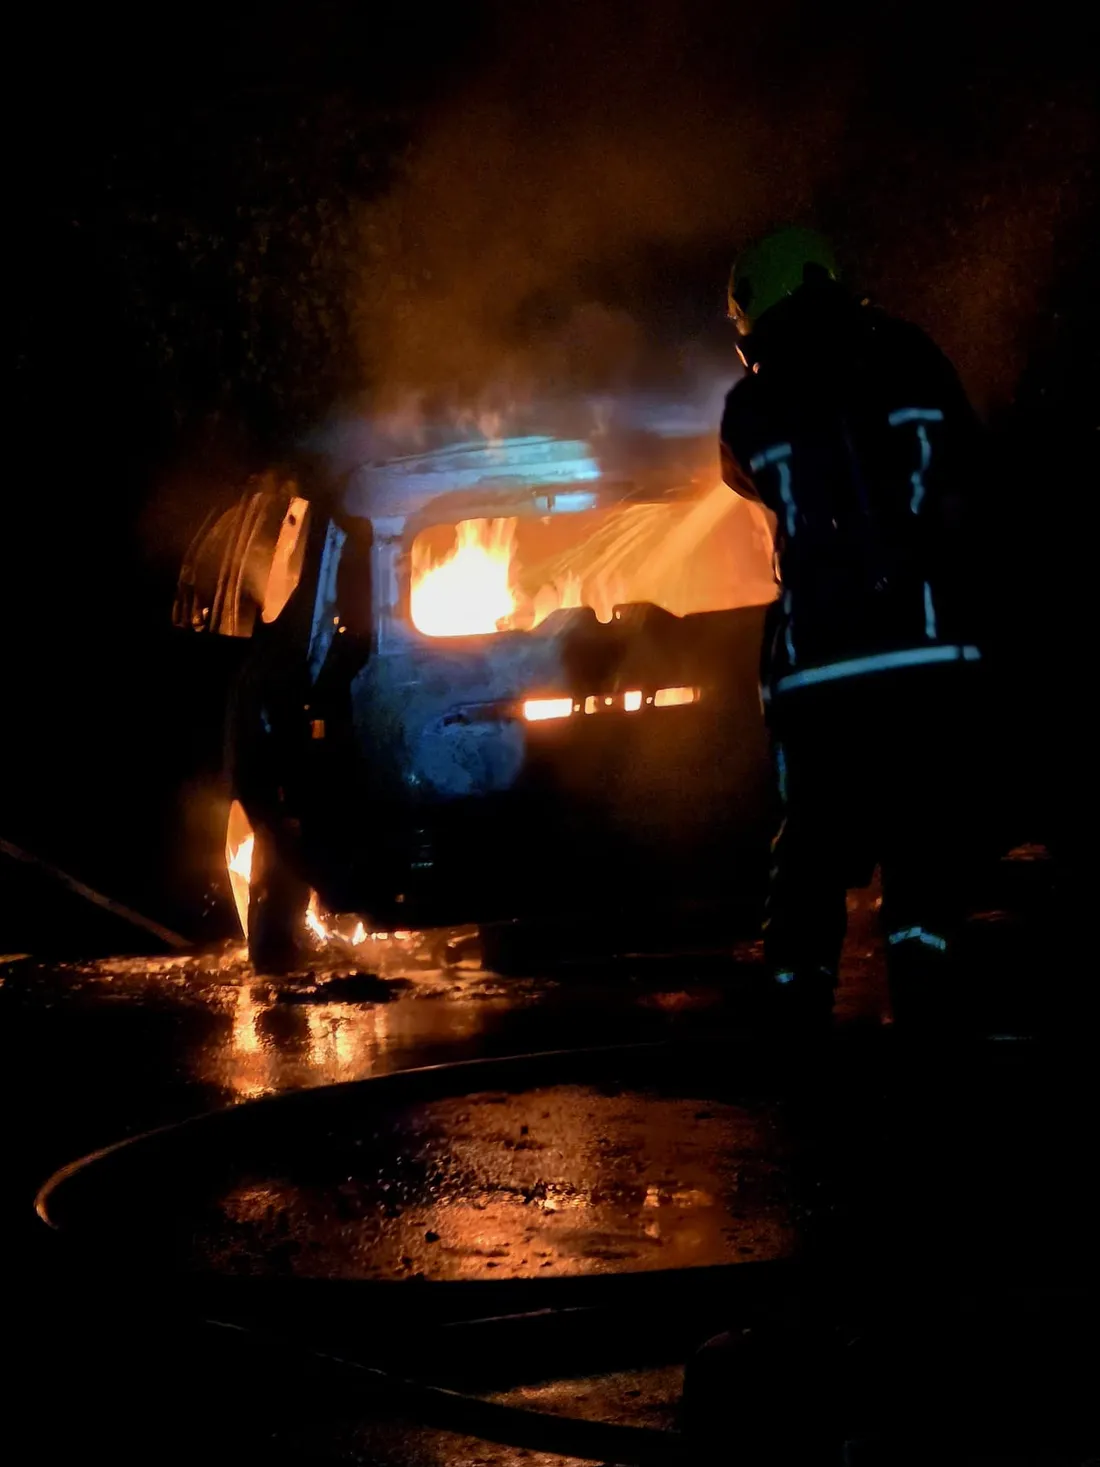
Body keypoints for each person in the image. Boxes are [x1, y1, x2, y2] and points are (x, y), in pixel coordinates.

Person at [719, 227, 986, 1025]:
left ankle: (795, 1023)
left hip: (822, 670)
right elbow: (965, 462)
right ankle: (929, 1008)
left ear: (753, 312)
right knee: (923, 837)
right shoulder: (913, 354)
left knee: (810, 848)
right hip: (930, 650)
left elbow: (744, 475)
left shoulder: (751, 404)